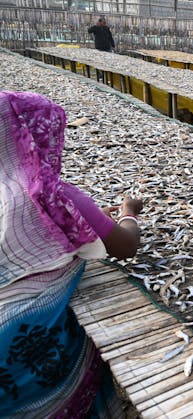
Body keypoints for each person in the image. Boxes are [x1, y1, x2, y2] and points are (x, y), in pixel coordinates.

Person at [0, 91, 145, 416]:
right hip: (25, 345)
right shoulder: (53, 198)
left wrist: (90, 220)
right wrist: (128, 212)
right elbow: (126, 246)